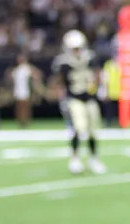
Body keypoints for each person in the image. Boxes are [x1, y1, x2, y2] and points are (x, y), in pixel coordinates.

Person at [52, 30, 106, 175]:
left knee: (93, 130)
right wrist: (62, 98)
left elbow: (97, 75)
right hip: (74, 98)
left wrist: (99, 88)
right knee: (78, 127)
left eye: (78, 48)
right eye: (74, 48)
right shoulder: (63, 63)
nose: (77, 51)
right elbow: (59, 82)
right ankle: (75, 158)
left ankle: (94, 158)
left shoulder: (90, 58)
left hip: (90, 98)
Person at [8, 52, 42, 128]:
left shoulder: (26, 68)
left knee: (26, 108)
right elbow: (10, 78)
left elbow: (36, 74)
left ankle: (26, 122)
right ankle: (20, 122)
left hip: (25, 91)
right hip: (17, 91)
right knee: (19, 108)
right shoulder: (16, 69)